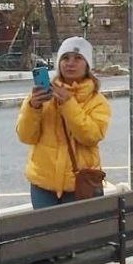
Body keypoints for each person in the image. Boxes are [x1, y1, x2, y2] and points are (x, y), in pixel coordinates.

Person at [16, 36, 111, 208]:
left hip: (79, 185)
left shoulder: (97, 101)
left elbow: (90, 136)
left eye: (77, 58)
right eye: (65, 58)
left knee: (79, 234)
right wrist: (33, 106)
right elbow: (25, 136)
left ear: (87, 65)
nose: (70, 63)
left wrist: (68, 104)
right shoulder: (42, 96)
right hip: (43, 185)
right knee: (46, 233)